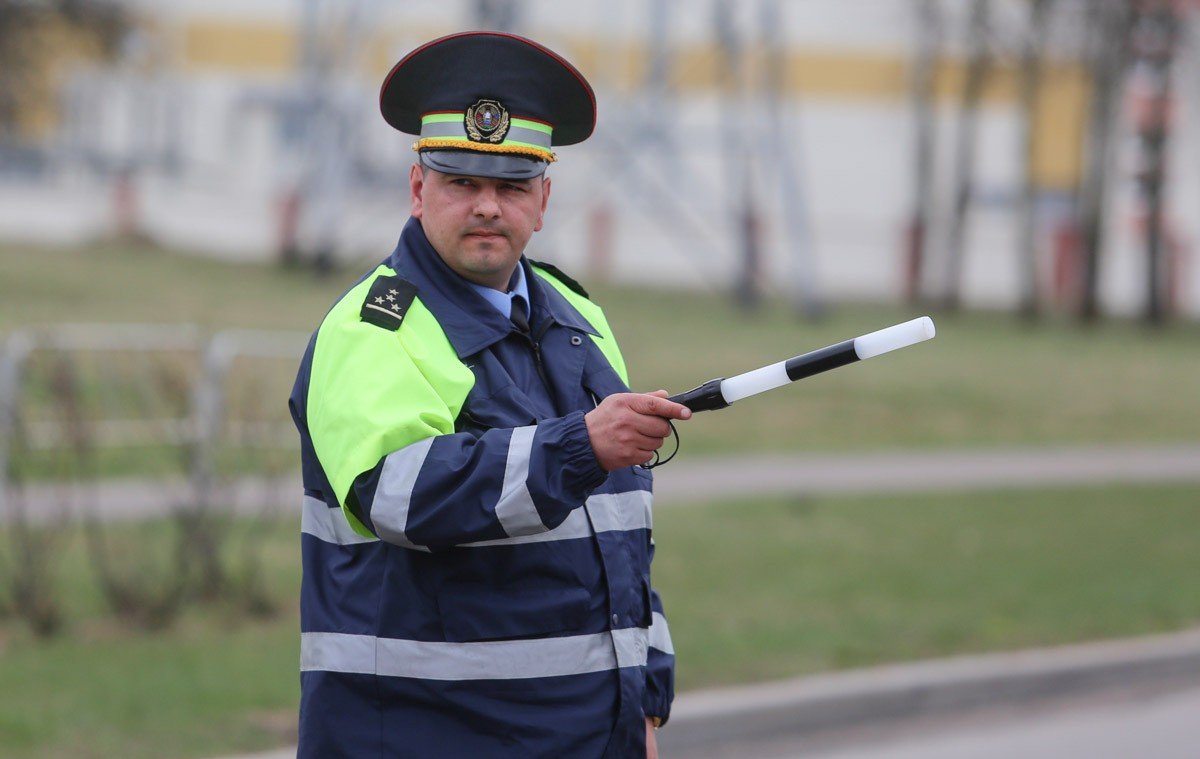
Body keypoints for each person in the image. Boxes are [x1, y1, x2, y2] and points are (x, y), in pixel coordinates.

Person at [289, 31, 690, 758]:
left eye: (510, 187)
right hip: (423, 735)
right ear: (418, 190)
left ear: (544, 198)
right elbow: (397, 493)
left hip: (583, 735)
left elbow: (623, 531)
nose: (486, 207)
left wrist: (646, 701)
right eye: (461, 183)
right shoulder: (375, 324)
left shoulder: (578, 318)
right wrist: (577, 446)